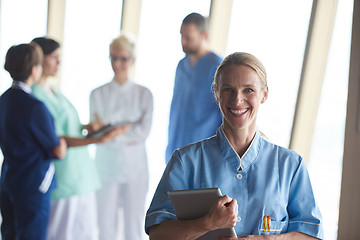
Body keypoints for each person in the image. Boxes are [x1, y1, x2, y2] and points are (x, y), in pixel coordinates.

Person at [145, 52, 324, 239]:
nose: (237, 99)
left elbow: (311, 235)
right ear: (216, 93)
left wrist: (268, 239)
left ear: (264, 94)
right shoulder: (185, 161)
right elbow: (157, 234)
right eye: (228, 89)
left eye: (248, 90)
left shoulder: (290, 165)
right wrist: (207, 223)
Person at [31, 37, 122, 240]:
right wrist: (97, 140)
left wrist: (86, 128)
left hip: (82, 175)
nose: (58, 63)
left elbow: (67, 126)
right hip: (64, 177)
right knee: (61, 234)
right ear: (40, 59)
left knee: (86, 233)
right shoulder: (35, 96)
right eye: (54, 58)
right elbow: (53, 137)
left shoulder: (53, 90)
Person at [0, 43, 67, 240]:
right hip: (33, 185)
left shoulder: (3, 100)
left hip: (8, 180)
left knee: (9, 235)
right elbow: (56, 149)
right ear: (33, 69)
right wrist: (62, 144)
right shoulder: (35, 106)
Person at [90, 33, 153, 240]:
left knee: (133, 226)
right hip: (106, 169)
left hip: (135, 170)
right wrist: (123, 129)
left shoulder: (144, 94)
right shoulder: (97, 94)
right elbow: (98, 131)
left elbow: (142, 132)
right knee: (105, 225)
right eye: (113, 58)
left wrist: (111, 132)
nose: (117, 63)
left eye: (123, 58)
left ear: (132, 60)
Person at [165, 12, 223, 163]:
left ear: (204, 35)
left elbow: (225, 115)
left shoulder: (218, 67)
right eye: (181, 36)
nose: (183, 42)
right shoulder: (181, 66)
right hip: (176, 148)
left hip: (202, 154)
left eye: (188, 38)